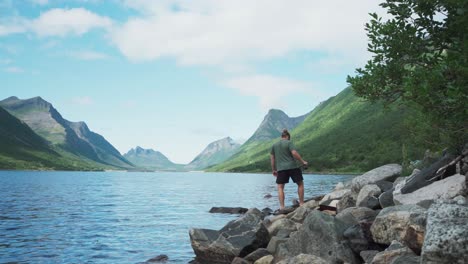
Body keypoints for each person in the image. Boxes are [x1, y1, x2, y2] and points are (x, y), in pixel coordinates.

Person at [270, 129, 308, 210]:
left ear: (282, 136)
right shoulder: (289, 142)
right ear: (287, 137)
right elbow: (294, 153)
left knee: (280, 187)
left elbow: (272, 158)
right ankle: (301, 204)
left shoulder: (274, 145)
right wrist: (303, 161)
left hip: (281, 169)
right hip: (293, 166)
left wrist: (273, 169)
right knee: (300, 184)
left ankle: (282, 207)